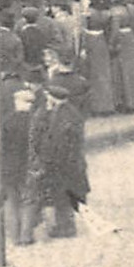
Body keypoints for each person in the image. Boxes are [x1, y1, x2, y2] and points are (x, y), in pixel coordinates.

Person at [24, 72, 89, 240]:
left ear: (53, 98)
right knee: (64, 196)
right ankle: (65, 226)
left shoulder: (62, 117)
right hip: (71, 164)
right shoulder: (69, 113)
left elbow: (56, 143)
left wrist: (46, 162)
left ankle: (66, 228)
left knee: (62, 197)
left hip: (63, 165)